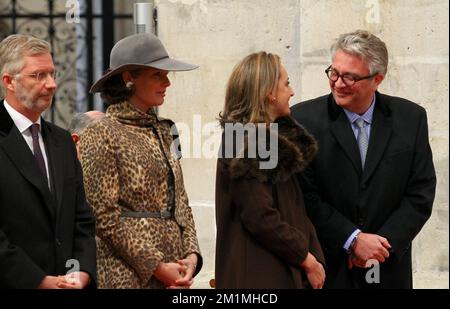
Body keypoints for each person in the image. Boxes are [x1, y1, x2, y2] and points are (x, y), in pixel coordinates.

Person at [291, 30, 436, 288]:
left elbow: (420, 193)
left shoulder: (411, 119)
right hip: (330, 269)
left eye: (349, 77)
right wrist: (353, 240)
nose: (337, 83)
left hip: (388, 269)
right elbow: (305, 196)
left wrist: (380, 247)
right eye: (333, 73)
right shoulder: (302, 120)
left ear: (377, 79)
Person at [80, 33, 202, 289]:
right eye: (157, 74)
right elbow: (103, 217)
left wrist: (191, 254)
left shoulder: (166, 131)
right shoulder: (101, 132)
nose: (167, 82)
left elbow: (181, 200)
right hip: (126, 274)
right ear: (128, 79)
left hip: (175, 270)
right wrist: (155, 266)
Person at [215, 51, 326, 289]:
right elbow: (260, 216)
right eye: (286, 84)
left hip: (277, 270)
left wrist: (313, 256)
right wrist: (306, 259)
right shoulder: (247, 140)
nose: (292, 92)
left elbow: (293, 209)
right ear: (269, 93)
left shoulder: (266, 139)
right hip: (259, 276)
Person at [0, 34, 96, 288]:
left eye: (52, 73)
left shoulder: (63, 141)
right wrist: (39, 281)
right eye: (38, 75)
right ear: (9, 81)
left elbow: (81, 218)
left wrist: (83, 272)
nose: (52, 84)